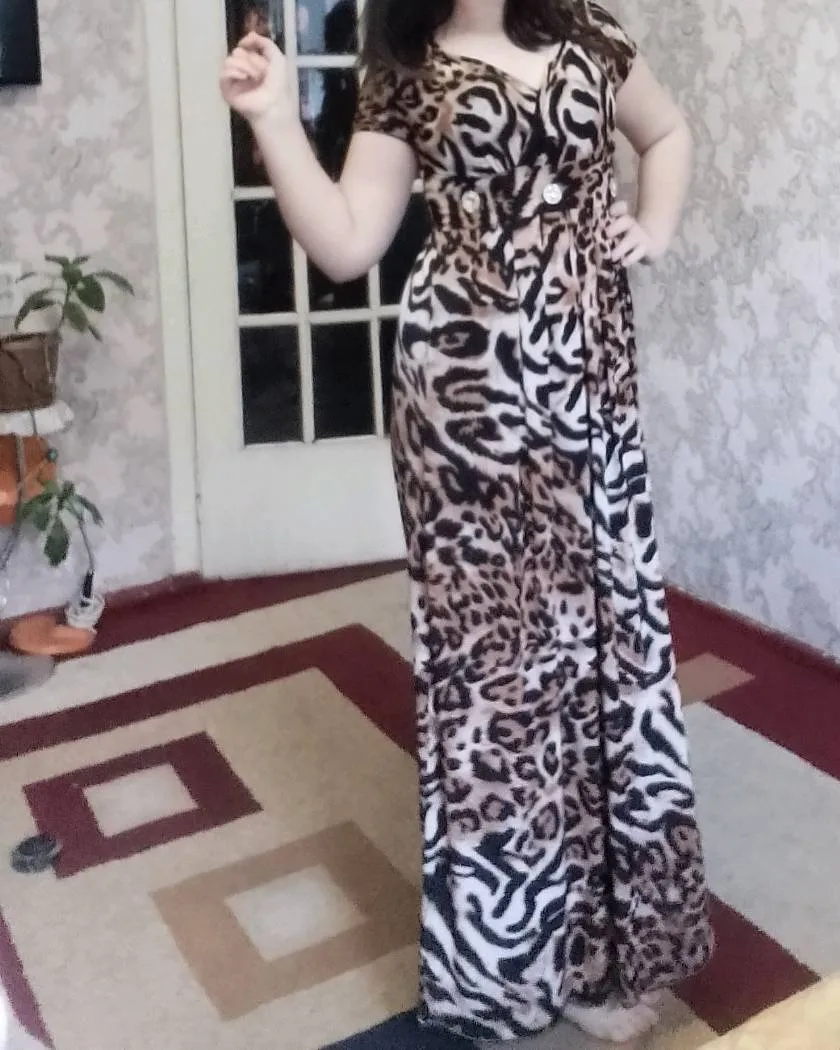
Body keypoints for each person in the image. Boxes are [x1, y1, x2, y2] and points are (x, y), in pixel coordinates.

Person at [220, 0, 714, 1043]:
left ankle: (605, 951)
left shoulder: (591, 32)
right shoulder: (405, 63)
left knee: (607, 652)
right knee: (500, 680)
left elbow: (666, 132)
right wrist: (272, 120)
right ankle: (514, 963)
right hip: (464, 403)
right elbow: (349, 243)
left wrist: (656, 225)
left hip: (589, 392)